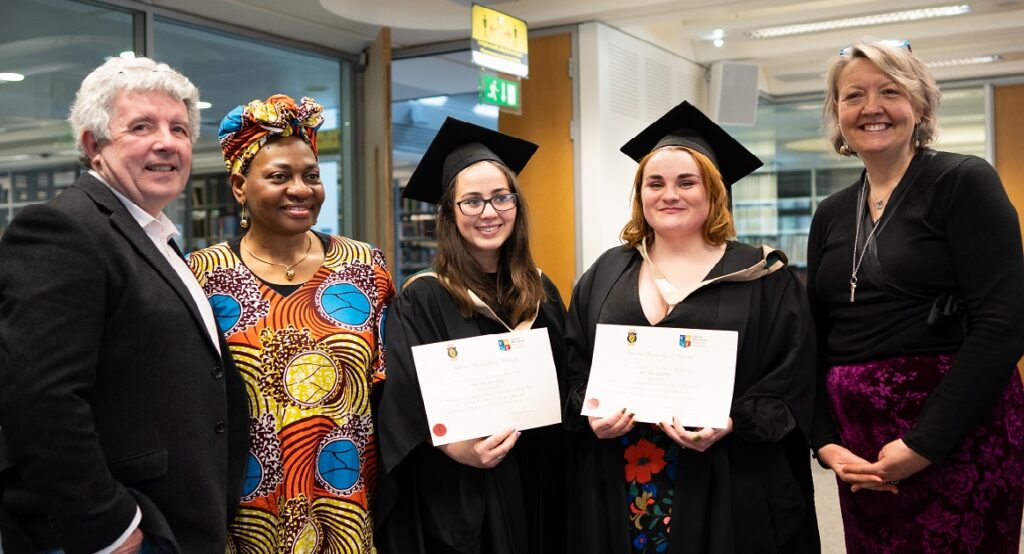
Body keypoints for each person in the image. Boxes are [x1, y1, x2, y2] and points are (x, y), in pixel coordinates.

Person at [0, 56, 248, 553]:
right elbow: (40, 399)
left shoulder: (157, 237)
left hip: (179, 521)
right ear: (94, 146)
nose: (167, 141)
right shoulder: (63, 230)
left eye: (179, 128)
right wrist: (112, 530)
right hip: (122, 532)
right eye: (141, 126)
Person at [564, 101, 820, 554]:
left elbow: (794, 374)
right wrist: (591, 413)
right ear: (640, 194)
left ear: (714, 192)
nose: (669, 195)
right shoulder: (607, 272)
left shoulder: (763, 274)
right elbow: (574, 360)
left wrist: (733, 421)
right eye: (655, 183)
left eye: (687, 182)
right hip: (622, 476)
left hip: (726, 476)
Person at [808, 38, 1024, 553]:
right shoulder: (831, 212)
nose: (871, 108)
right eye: (853, 95)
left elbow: (1003, 323)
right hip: (861, 443)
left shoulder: (962, 181)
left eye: (890, 91)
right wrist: (824, 441)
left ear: (921, 104)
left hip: (959, 433)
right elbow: (815, 335)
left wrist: (924, 443)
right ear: (837, 113)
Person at [187, 94, 394, 552]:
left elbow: (391, 391)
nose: (301, 189)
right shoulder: (199, 276)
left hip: (347, 506)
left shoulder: (364, 267)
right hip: (244, 514)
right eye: (279, 176)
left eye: (311, 176)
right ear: (240, 186)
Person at [375, 117, 567, 554]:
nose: (489, 212)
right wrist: (453, 446)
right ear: (448, 213)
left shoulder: (542, 291)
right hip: (461, 489)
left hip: (536, 474)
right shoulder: (424, 297)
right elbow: (403, 399)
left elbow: (568, 378)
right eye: (472, 201)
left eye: (501, 198)